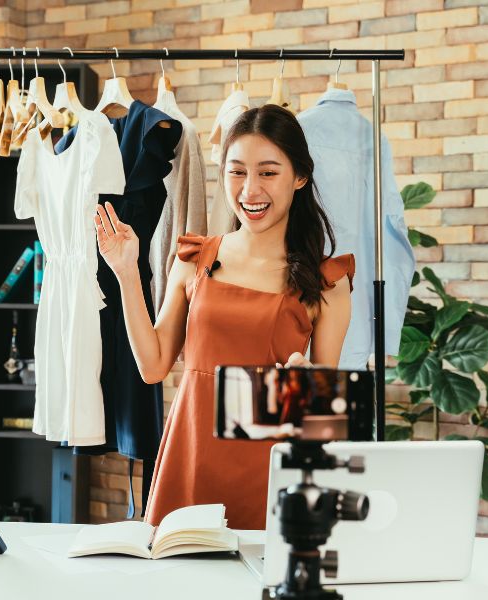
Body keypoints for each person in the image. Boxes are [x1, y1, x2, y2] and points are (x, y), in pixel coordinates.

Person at [93, 104, 355, 530]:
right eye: (237, 172)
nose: (250, 190)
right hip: (191, 455)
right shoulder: (196, 256)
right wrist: (126, 272)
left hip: (270, 469)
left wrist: (308, 386)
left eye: (268, 173)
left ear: (300, 177)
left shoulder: (327, 280)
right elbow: (153, 365)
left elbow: (325, 422)